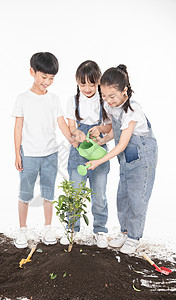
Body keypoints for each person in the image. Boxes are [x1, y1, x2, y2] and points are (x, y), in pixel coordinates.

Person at [86, 64, 158, 254]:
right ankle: (125, 232)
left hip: (143, 157)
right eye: (104, 96)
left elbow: (122, 144)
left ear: (124, 91)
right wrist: (101, 136)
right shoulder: (113, 106)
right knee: (123, 196)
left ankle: (134, 238)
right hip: (127, 158)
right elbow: (115, 133)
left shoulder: (132, 110)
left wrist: (98, 161)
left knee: (137, 198)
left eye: (112, 97)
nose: (108, 101)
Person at [12, 52, 75, 248]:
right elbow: (18, 128)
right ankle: (22, 229)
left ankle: (48, 227)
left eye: (51, 78)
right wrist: (17, 153)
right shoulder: (22, 98)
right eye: (43, 77)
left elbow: (61, 123)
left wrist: (72, 140)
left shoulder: (54, 99)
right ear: (32, 72)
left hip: (50, 154)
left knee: (49, 193)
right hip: (29, 154)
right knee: (25, 193)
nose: (47, 82)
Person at [60, 60, 111, 248]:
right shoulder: (72, 101)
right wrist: (77, 133)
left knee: (99, 194)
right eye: (83, 84)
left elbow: (109, 127)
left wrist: (99, 129)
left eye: (92, 83)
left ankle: (100, 230)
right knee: (75, 192)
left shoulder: (104, 99)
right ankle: (72, 228)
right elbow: (71, 126)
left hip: (98, 151)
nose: (87, 88)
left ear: (98, 81)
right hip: (78, 152)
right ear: (76, 81)